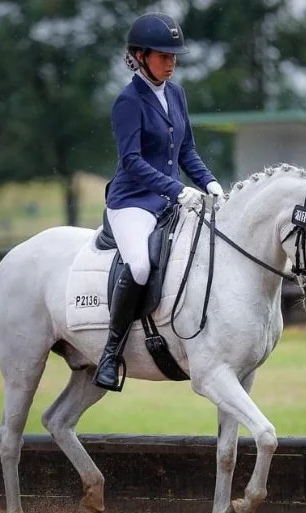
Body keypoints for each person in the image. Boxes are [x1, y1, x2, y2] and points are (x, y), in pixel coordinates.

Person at [93, 12, 224, 392]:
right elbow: (131, 162)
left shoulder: (177, 94)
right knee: (138, 266)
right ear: (139, 56)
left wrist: (211, 183)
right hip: (132, 201)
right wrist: (179, 190)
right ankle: (110, 352)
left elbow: (187, 152)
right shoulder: (127, 101)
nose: (171, 63)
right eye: (163, 56)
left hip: (168, 200)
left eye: (173, 56)